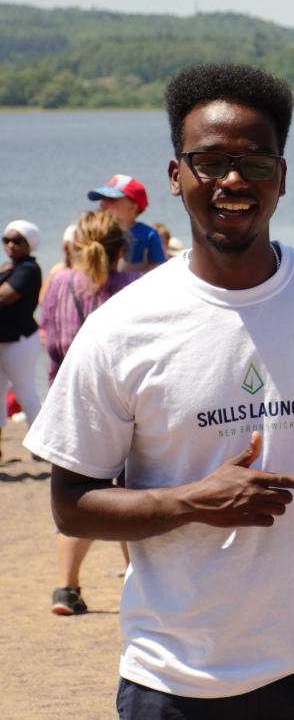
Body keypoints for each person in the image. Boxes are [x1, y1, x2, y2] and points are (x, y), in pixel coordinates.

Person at [25, 63, 294, 718]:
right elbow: (72, 504)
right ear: (176, 177)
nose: (233, 181)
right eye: (210, 161)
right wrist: (188, 502)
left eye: (256, 163)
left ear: (282, 178)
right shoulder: (121, 328)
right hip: (174, 683)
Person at [39, 211, 142, 615]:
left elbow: (50, 342)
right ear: (122, 249)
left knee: (77, 497)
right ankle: (140, 584)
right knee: (131, 497)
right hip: (125, 406)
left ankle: (66, 588)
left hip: (72, 403)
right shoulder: (135, 287)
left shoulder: (60, 283)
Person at [0, 220, 43, 458]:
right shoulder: (10, 268)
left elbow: (4, 297)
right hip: (4, 340)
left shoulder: (27, 269)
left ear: (29, 243)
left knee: (25, 392)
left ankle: (38, 446)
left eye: (17, 240)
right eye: (6, 240)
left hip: (19, 341)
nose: (11, 245)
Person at [87, 173, 167, 273]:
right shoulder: (97, 232)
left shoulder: (148, 235)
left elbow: (159, 271)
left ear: (133, 207)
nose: (102, 203)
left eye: (111, 199)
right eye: (102, 199)